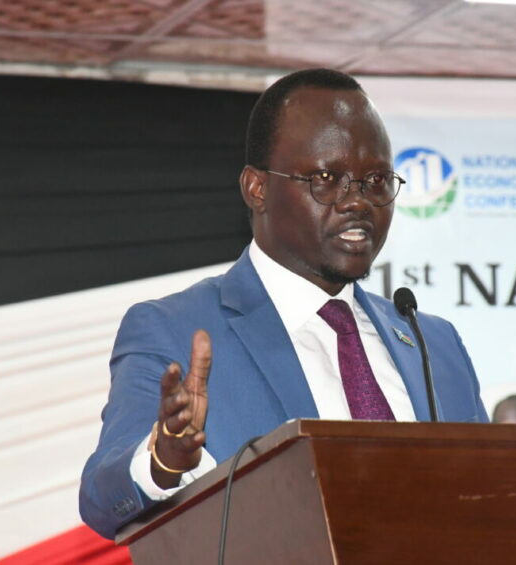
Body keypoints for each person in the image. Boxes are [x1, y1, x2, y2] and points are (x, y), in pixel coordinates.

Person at [79, 68, 489, 540]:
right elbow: (101, 498)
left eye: (376, 179)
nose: (358, 202)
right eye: (326, 178)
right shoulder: (175, 329)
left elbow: (491, 498)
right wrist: (163, 461)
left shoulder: (434, 342)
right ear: (257, 189)